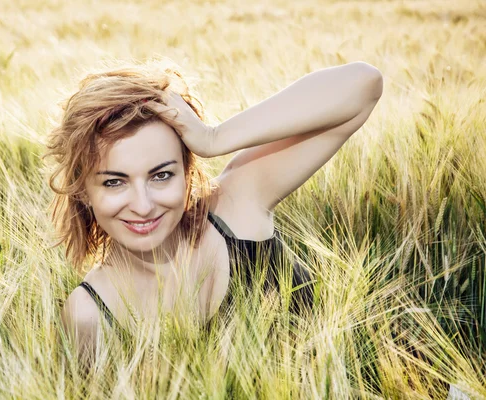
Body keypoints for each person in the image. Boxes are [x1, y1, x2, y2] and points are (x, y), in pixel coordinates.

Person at [46, 59, 383, 362]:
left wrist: (214, 138)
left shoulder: (235, 204)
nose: (144, 205)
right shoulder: (88, 314)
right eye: (114, 182)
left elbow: (362, 84)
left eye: (161, 175)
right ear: (83, 190)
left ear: (187, 169)